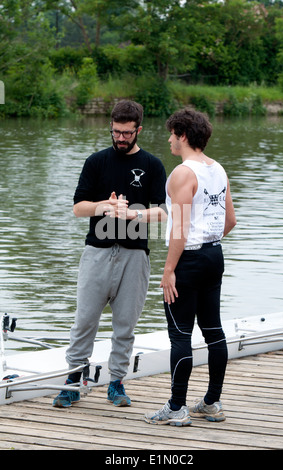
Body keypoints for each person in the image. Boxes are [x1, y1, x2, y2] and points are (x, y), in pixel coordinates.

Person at [53, 100, 167, 408]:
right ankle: (73, 381)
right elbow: (78, 207)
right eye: (116, 131)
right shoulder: (96, 162)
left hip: (135, 256)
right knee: (85, 320)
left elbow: (164, 212)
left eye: (127, 133)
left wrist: (133, 214)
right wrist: (104, 206)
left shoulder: (153, 165)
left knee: (125, 324)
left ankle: (116, 383)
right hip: (97, 253)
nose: (120, 138)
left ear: (138, 130)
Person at [145, 108, 236, 426]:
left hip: (189, 260)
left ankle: (176, 408)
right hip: (214, 256)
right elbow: (230, 221)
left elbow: (180, 229)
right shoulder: (218, 169)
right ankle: (212, 402)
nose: (169, 139)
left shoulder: (184, 173)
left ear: (183, 135)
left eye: (172, 133)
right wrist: (207, 241)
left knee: (180, 334)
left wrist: (170, 269)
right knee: (214, 331)